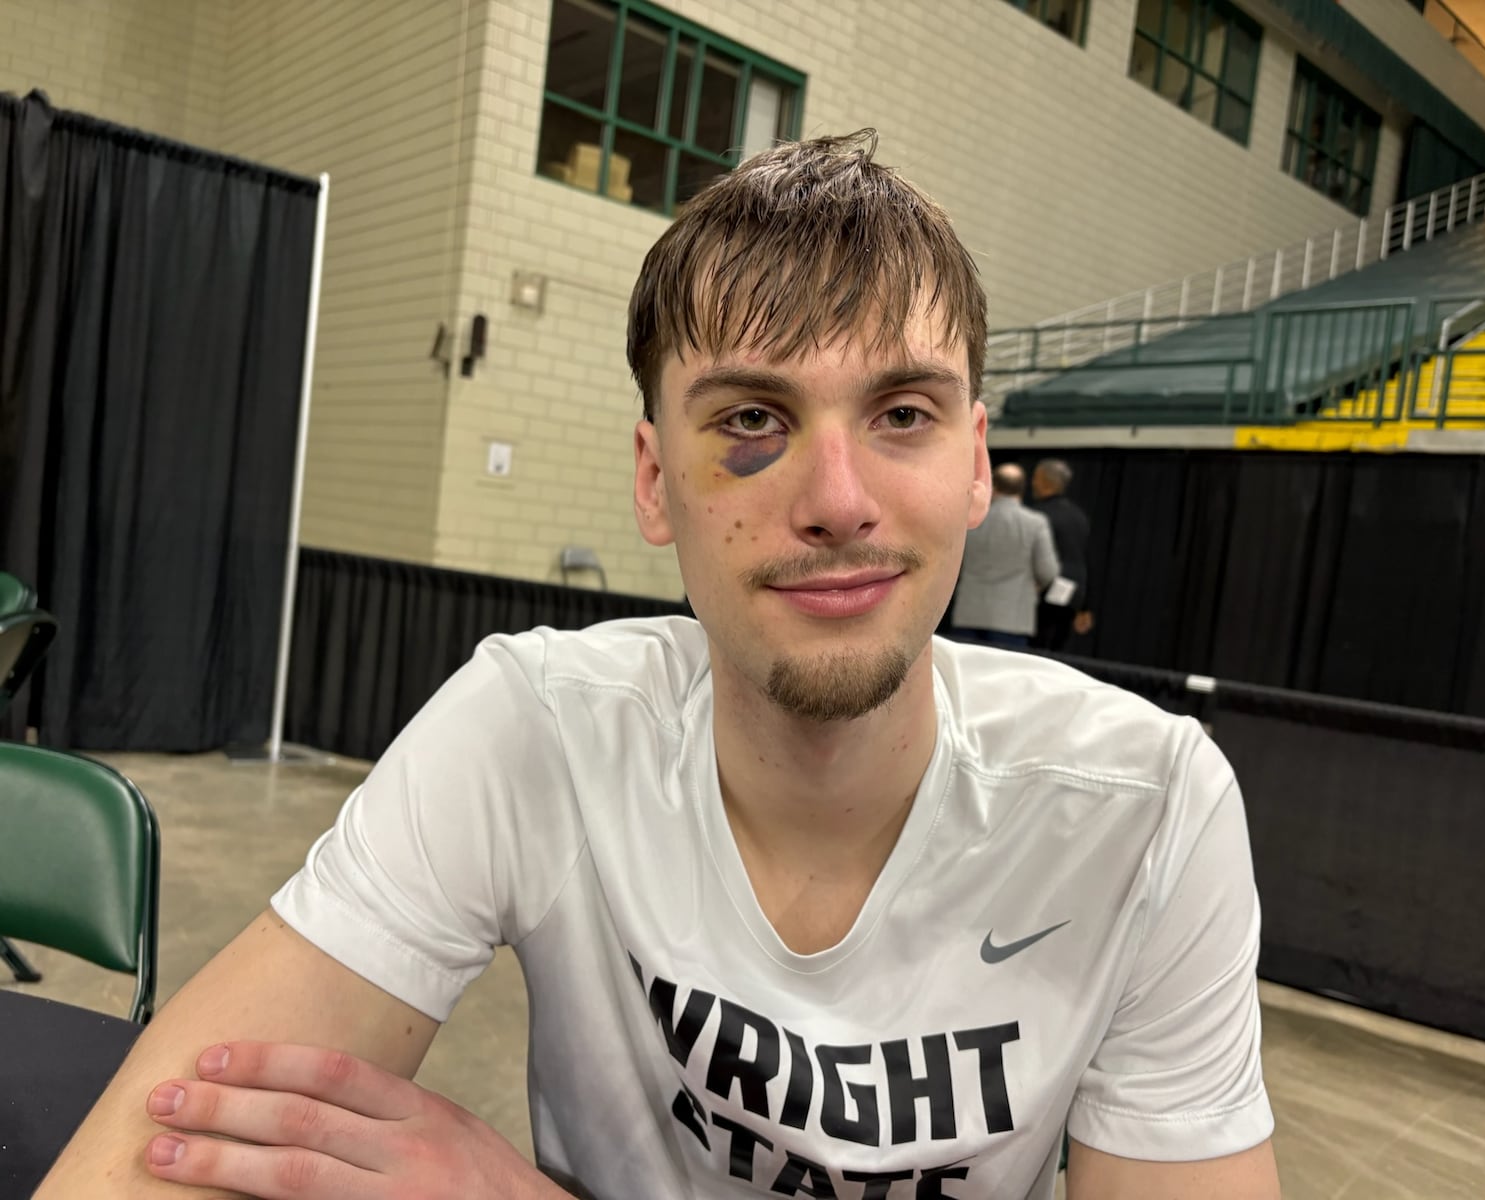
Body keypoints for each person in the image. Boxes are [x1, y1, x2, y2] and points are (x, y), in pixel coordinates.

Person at [40, 131, 1280, 1199]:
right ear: (652, 480)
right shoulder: (535, 728)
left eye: (901, 413)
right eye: (752, 419)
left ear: (972, 464)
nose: (838, 501)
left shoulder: (1147, 811)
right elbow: (170, 1142)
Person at [948, 462, 1057, 648]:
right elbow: (1048, 571)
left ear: (993, 485)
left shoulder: (970, 519)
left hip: (968, 613)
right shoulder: (1035, 523)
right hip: (1012, 618)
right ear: (1023, 488)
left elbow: (951, 563)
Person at [1029, 457, 1094, 651]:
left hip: (1044, 592)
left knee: (1035, 650)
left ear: (1045, 482)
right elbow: (1086, 560)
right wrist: (1085, 606)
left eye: (1036, 478)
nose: (1033, 482)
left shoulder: (1038, 516)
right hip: (1073, 594)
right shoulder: (1079, 516)